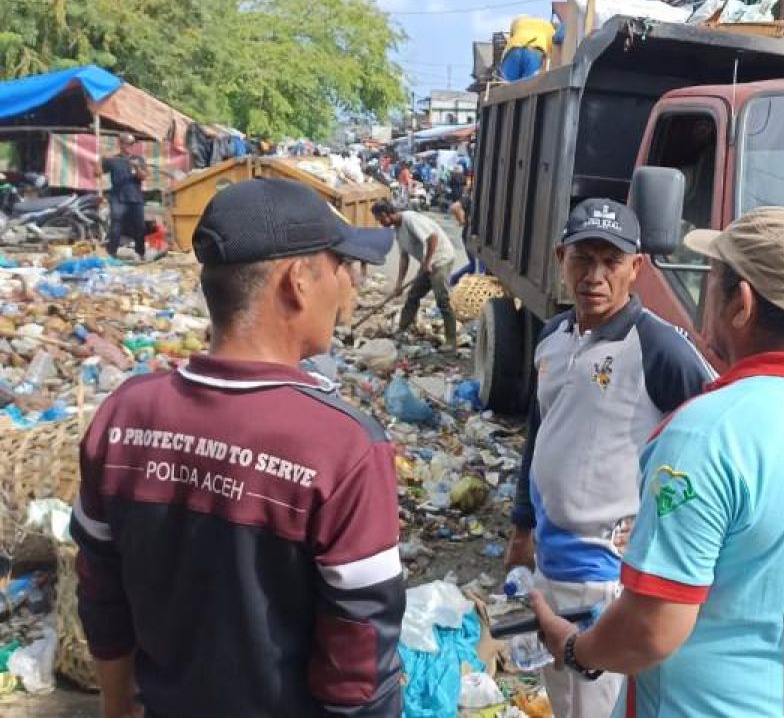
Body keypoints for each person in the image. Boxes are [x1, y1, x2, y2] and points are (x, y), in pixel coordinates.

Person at [529, 207, 784, 717]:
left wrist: (576, 649)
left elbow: (648, 632)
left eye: (713, 279)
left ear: (741, 303)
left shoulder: (705, 434)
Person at [70, 178, 405, 718]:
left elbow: (101, 592)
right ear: (297, 281)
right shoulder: (344, 448)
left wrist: (116, 707)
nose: (350, 286)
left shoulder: (125, 415)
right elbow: (358, 663)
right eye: (342, 265)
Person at [506, 198, 714, 718]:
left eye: (611, 262)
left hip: (605, 572)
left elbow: (714, 441)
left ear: (636, 269)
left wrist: (661, 524)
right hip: (551, 560)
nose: (594, 276)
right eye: (582, 259)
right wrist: (520, 529)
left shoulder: (659, 348)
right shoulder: (554, 337)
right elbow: (541, 430)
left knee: (594, 704)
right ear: (560, 258)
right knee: (564, 695)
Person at [371, 199, 458, 349]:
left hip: (441, 259)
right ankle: (402, 330)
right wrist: (399, 284)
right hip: (428, 263)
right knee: (412, 296)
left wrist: (427, 262)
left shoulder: (410, 219)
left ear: (386, 214)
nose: (380, 223)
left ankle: (451, 340)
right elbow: (404, 258)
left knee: (442, 300)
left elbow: (433, 237)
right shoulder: (398, 230)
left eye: (379, 219)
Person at [95, 132, 148, 259]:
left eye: (132, 144)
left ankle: (141, 253)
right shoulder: (113, 160)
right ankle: (112, 253)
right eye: (128, 143)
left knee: (140, 226)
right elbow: (97, 173)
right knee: (116, 226)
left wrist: (137, 168)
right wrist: (100, 159)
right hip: (118, 198)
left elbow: (144, 176)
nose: (131, 146)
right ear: (121, 144)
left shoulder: (138, 159)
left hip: (135, 198)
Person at [449, 177, 483, 286]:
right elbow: (454, 207)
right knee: (478, 268)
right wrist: (462, 221)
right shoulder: (469, 199)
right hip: (471, 237)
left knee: (475, 266)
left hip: (469, 236)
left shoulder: (470, 198)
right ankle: (453, 280)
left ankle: (453, 280)